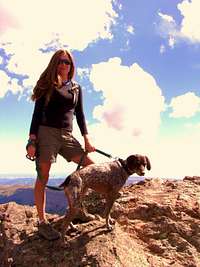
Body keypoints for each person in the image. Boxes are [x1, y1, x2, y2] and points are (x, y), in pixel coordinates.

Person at [26, 49, 95, 240]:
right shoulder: (46, 84)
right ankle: (42, 222)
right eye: (61, 61)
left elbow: (80, 115)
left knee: (92, 168)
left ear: (72, 66)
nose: (64, 65)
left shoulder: (76, 88)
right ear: (54, 63)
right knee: (43, 175)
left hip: (67, 135)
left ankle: (77, 208)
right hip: (46, 133)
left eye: (68, 62)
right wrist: (32, 140)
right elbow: (36, 114)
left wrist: (87, 139)